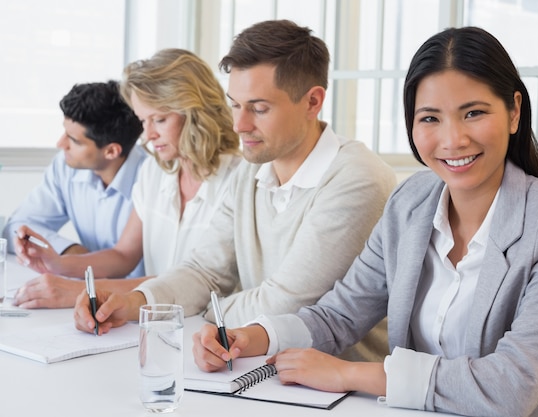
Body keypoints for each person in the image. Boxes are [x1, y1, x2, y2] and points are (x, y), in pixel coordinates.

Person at [187, 27, 538, 417]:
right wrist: (252, 338)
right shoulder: (411, 202)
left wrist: (353, 374)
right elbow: (341, 314)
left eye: (473, 113)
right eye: (430, 118)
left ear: (514, 111)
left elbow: (514, 386)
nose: (452, 139)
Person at [74, 20, 397, 362]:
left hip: (345, 390)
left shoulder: (357, 178)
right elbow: (204, 271)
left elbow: (284, 303)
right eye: (235, 105)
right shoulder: (251, 171)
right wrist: (135, 302)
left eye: (259, 108)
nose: (239, 125)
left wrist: (188, 314)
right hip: (265, 371)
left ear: (312, 101)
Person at [12, 49, 241, 309]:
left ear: (196, 112)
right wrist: (58, 263)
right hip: (155, 320)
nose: (149, 134)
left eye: (160, 120)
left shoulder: (238, 180)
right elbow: (124, 255)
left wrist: (82, 290)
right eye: (144, 121)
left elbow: (195, 282)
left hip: (211, 325)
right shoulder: (155, 172)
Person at [3, 80, 146, 277]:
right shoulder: (66, 167)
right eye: (65, 132)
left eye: (74, 140)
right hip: (87, 288)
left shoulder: (152, 178)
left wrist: (72, 263)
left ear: (111, 151)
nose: (61, 144)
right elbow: (16, 227)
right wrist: (71, 251)